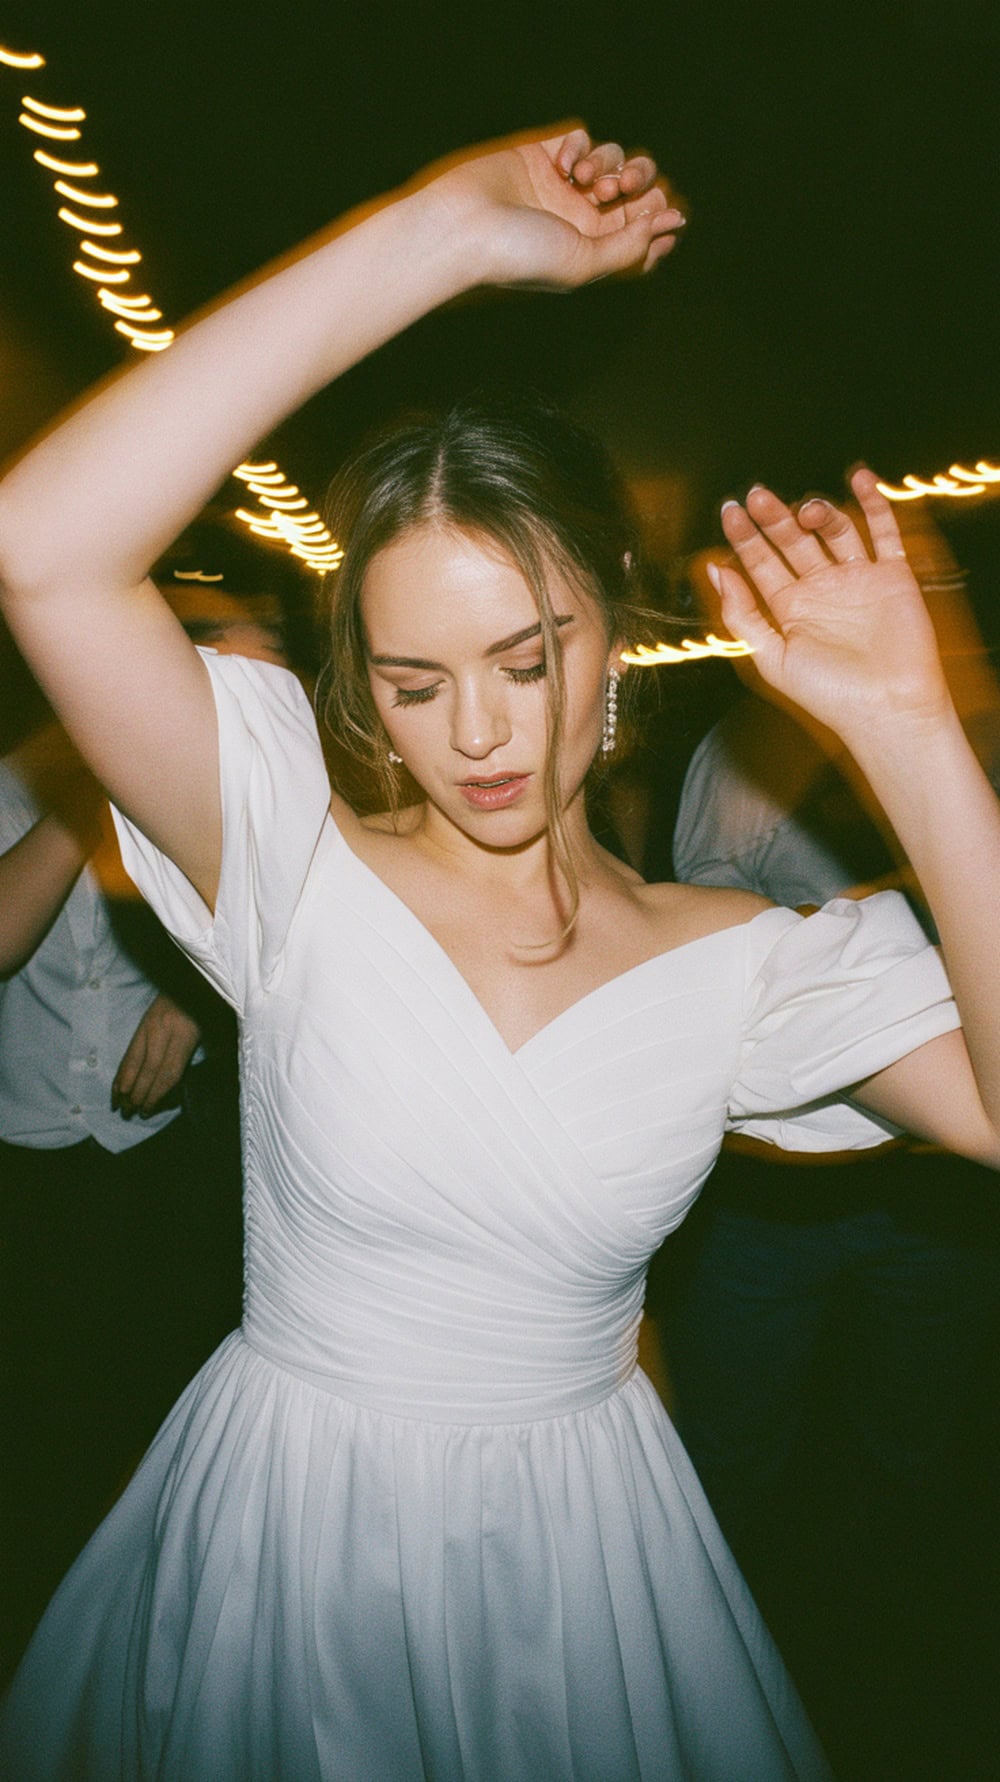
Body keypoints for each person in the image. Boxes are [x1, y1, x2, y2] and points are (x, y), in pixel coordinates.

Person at [0, 122, 997, 1782]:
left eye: (527, 657)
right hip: (287, 1540)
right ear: (361, 687)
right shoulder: (288, 853)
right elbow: (41, 545)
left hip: (585, 1563)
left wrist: (908, 733)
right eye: (411, 680)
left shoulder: (737, 957)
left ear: (614, 632)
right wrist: (435, 234)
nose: (478, 734)